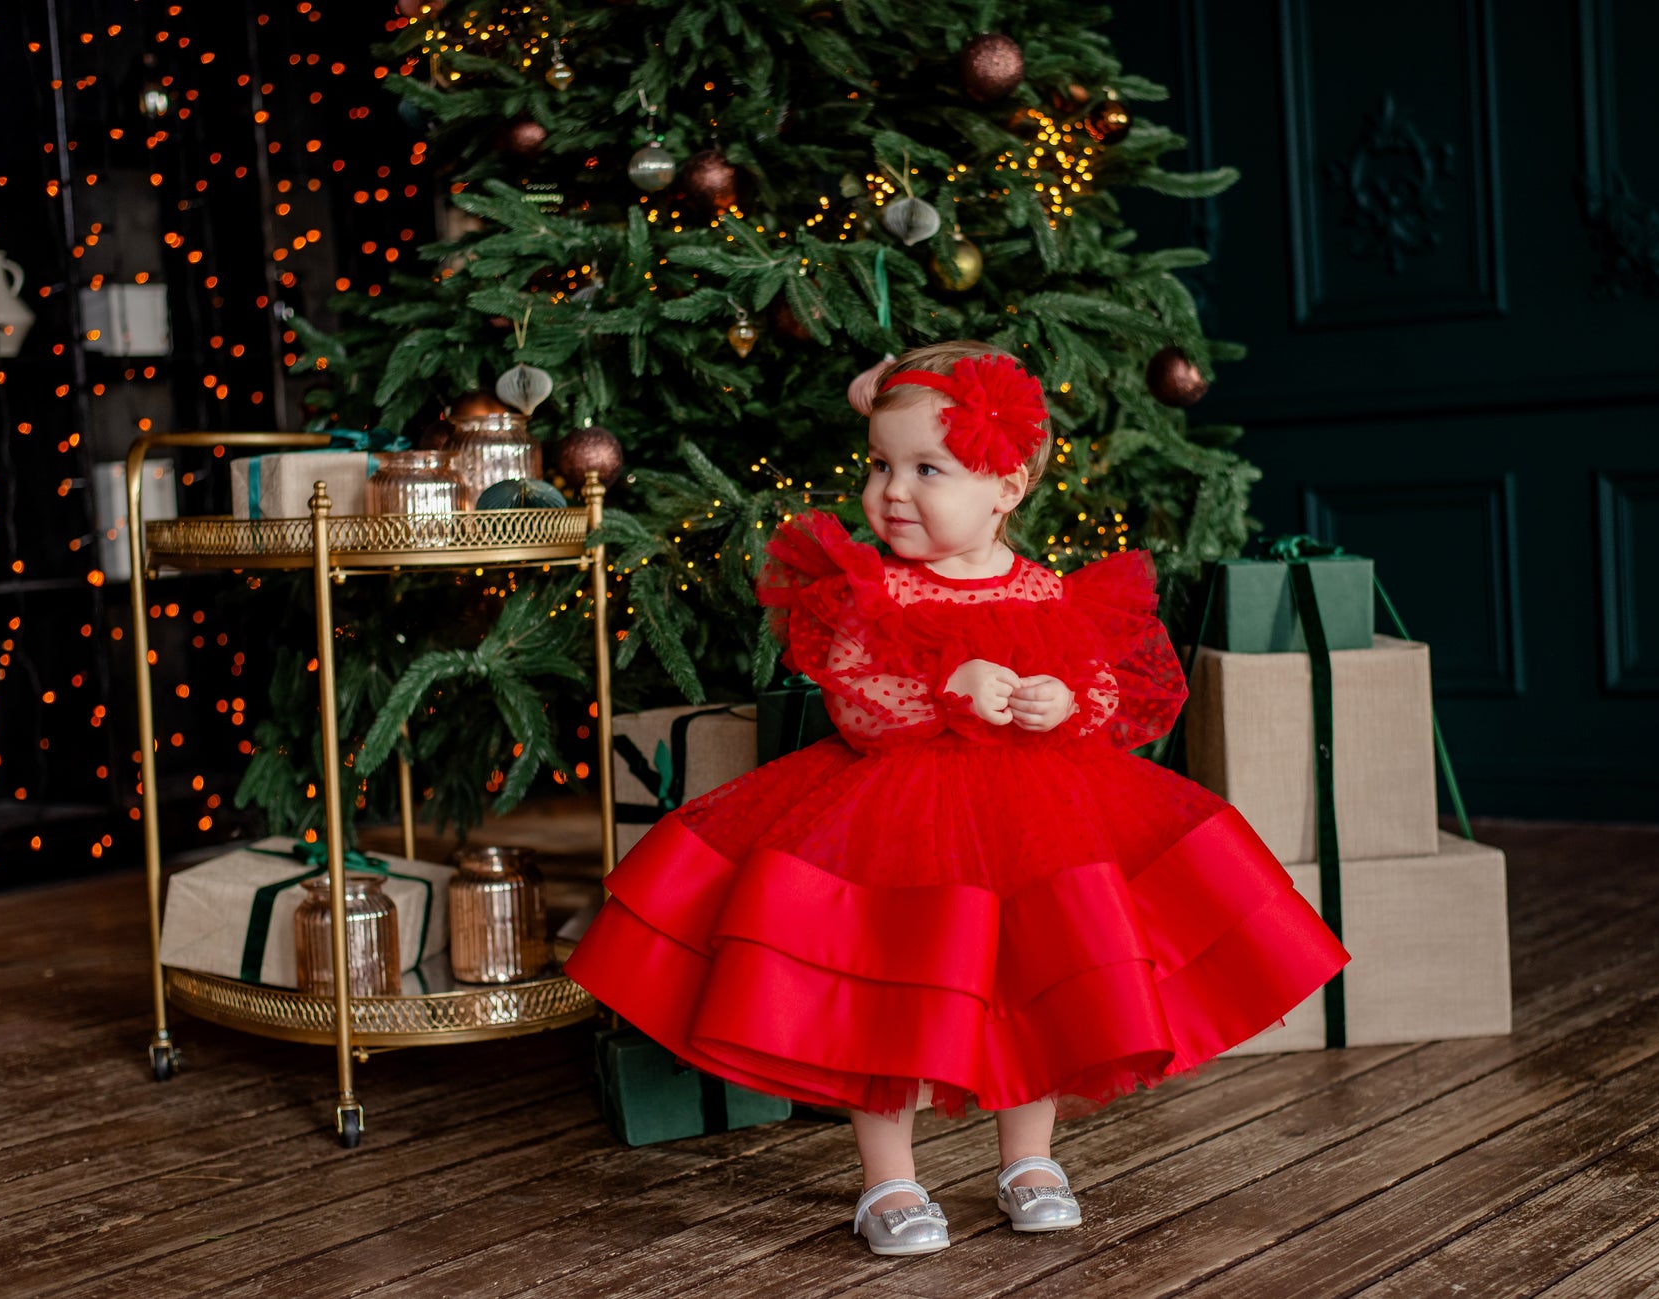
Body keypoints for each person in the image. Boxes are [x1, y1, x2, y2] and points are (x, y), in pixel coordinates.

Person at [566, 340, 1350, 1256]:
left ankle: (1029, 1157)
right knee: (887, 988)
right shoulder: (869, 586)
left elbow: (1104, 696)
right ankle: (889, 1180)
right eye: (880, 465)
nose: (892, 491)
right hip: (894, 816)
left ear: (1005, 488)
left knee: (1037, 979)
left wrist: (1061, 700)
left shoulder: (1049, 590)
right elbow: (856, 705)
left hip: (1039, 818)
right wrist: (947, 686)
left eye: (925, 469)